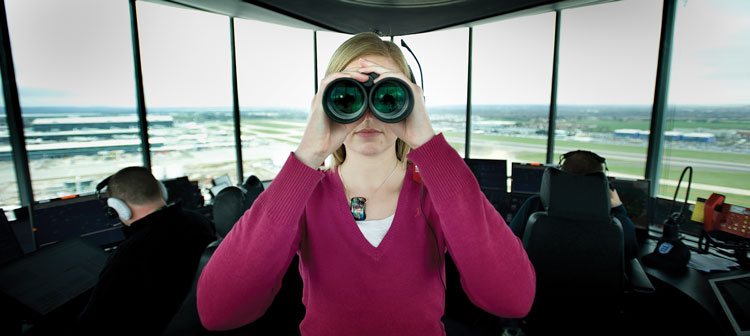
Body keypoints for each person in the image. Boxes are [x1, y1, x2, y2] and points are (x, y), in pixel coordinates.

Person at [196, 32, 536, 335]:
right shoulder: (303, 196)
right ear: (324, 105)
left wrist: (428, 144)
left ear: (412, 102)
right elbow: (218, 310)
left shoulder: (436, 193)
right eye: (347, 97)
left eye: (387, 96)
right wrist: (307, 155)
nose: (368, 114)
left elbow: (512, 299)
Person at [76, 166, 215, 335]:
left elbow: (94, 324)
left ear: (117, 207)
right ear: (162, 191)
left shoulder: (129, 255)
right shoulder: (199, 222)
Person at [509, 150, 639, 261]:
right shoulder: (614, 218)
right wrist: (618, 208)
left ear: (560, 176)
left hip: (538, 288)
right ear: (602, 182)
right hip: (599, 289)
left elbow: (509, 243)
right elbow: (630, 253)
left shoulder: (535, 204)